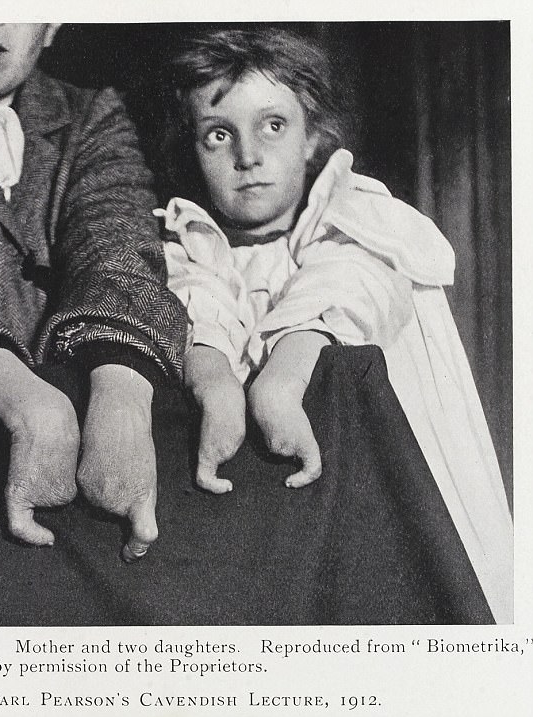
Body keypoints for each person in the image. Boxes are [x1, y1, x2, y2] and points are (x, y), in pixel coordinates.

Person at [157, 28, 513, 621]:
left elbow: (349, 282)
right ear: (192, 150)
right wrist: (212, 374)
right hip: (263, 524)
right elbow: (195, 301)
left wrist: (286, 372)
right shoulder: (186, 243)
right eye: (219, 135)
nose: (248, 155)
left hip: (373, 493)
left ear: (313, 138)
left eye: (273, 126)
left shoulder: (356, 217)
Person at [0, 23, 188, 559]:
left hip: (84, 400)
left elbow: (116, 235)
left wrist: (122, 389)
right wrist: (19, 394)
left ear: (55, 22)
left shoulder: (91, 112)